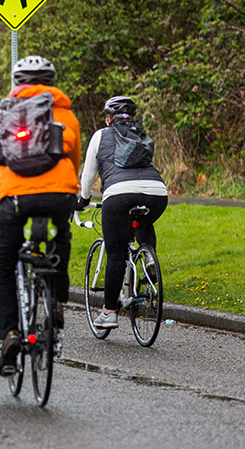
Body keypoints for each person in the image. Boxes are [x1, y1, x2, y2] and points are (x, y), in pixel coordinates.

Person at [0, 55, 81, 377]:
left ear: (17, 82)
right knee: (61, 238)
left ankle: (10, 333)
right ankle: (57, 300)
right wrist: (67, 194)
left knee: (2, 267)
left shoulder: (0, 113)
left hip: (14, 197)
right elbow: (73, 158)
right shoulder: (65, 114)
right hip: (59, 194)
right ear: (51, 81)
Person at [77, 96, 167, 329]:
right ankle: (148, 256)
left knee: (116, 254)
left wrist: (83, 199)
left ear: (109, 118)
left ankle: (108, 312)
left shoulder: (100, 135)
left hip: (119, 194)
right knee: (143, 221)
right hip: (156, 193)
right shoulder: (142, 134)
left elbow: (88, 175)